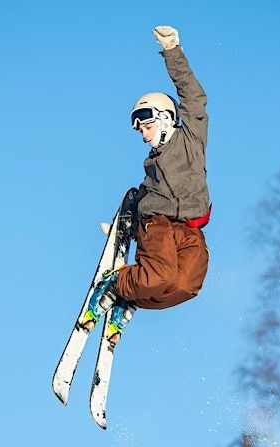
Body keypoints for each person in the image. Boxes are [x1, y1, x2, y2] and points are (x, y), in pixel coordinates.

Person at [86, 25, 211, 344]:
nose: (142, 131)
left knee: (186, 286)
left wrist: (173, 50)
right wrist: (124, 225)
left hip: (192, 230)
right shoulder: (152, 163)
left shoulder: (190, 139)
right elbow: (141, 197)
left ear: (167, 117)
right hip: (158, 225)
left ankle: (130, 298)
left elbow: (193, 97)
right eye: (137, 127)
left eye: (147, 122)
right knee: (159, 275)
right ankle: (115, 284)